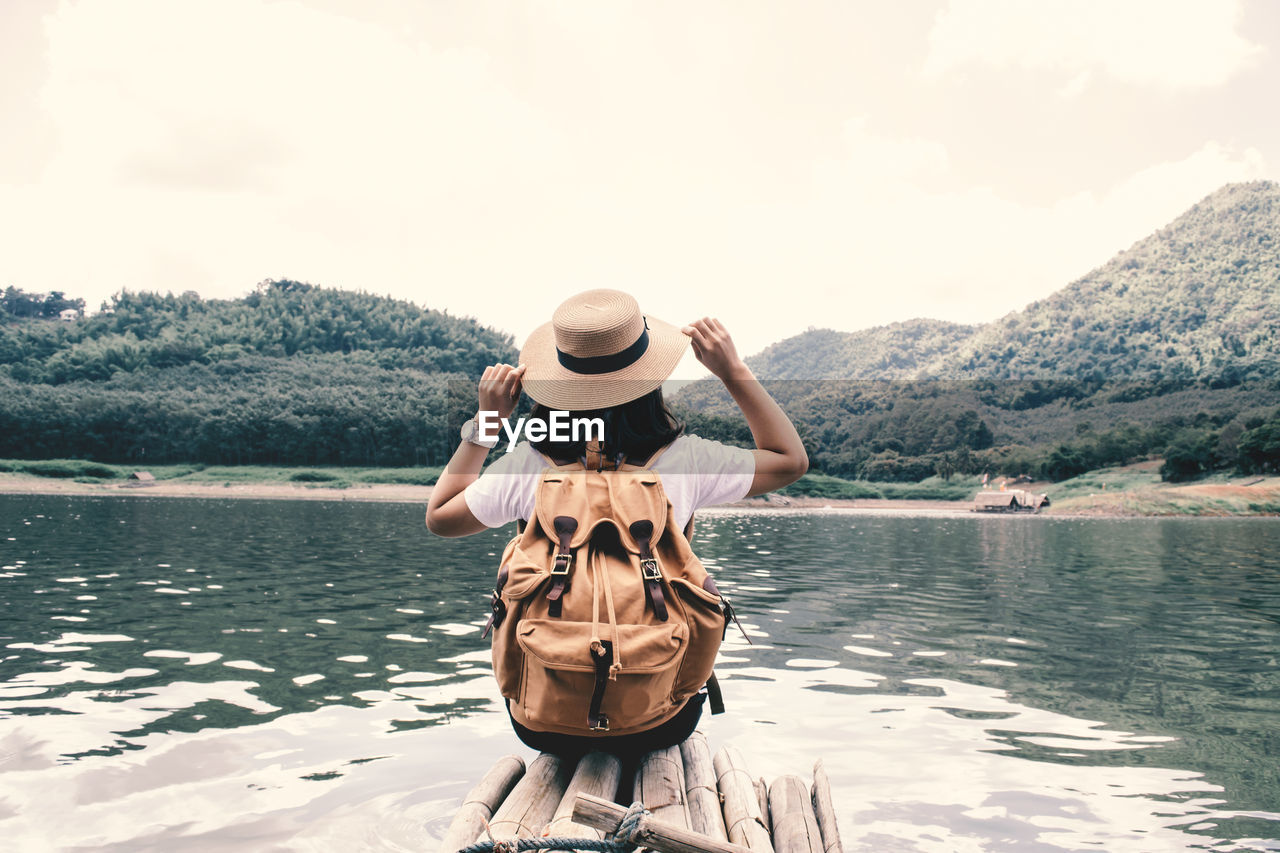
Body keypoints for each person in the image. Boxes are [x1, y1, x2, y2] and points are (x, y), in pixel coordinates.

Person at [425, 288, 807, 756]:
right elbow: (790, 461)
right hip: (662, 720)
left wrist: (486, 421)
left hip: (540, 722)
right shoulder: (686, 460)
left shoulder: (527, 464)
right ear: (650, 380)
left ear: (554, 382)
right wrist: (733, 371)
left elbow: (440, 518)